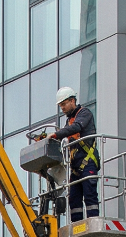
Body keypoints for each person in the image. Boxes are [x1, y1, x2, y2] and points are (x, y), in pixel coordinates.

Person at [49, 87, 98, 222]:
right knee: (74, 198)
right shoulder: (69, 121)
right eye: (61, 106)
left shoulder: (84, 114)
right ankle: (78, 225)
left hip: (88, 163)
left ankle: (92, 222)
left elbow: (77, 128)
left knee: (90, 194)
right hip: (75, 166)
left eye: (64, 104)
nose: (62, 108)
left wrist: (56, 134)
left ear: (72, 101)